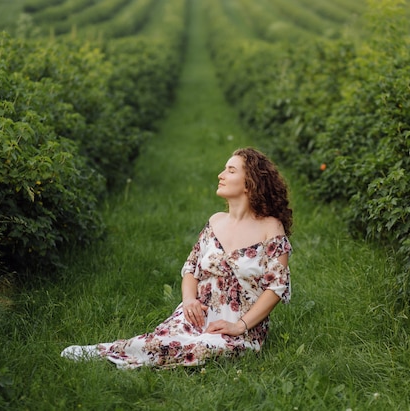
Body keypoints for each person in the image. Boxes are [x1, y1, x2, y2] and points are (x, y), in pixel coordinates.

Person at [60, 147, 293, 369]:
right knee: (161, 341)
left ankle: (120, 357)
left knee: (205, 348)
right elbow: (191, 268)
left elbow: (276, 287)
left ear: (250, 182)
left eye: (231, 170)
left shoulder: (270, 227)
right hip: (198, 312)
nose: (221, 175)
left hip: (242, 326)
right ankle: (104, 352)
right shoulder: (215, 221)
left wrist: (239, 325)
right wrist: (189, 300)